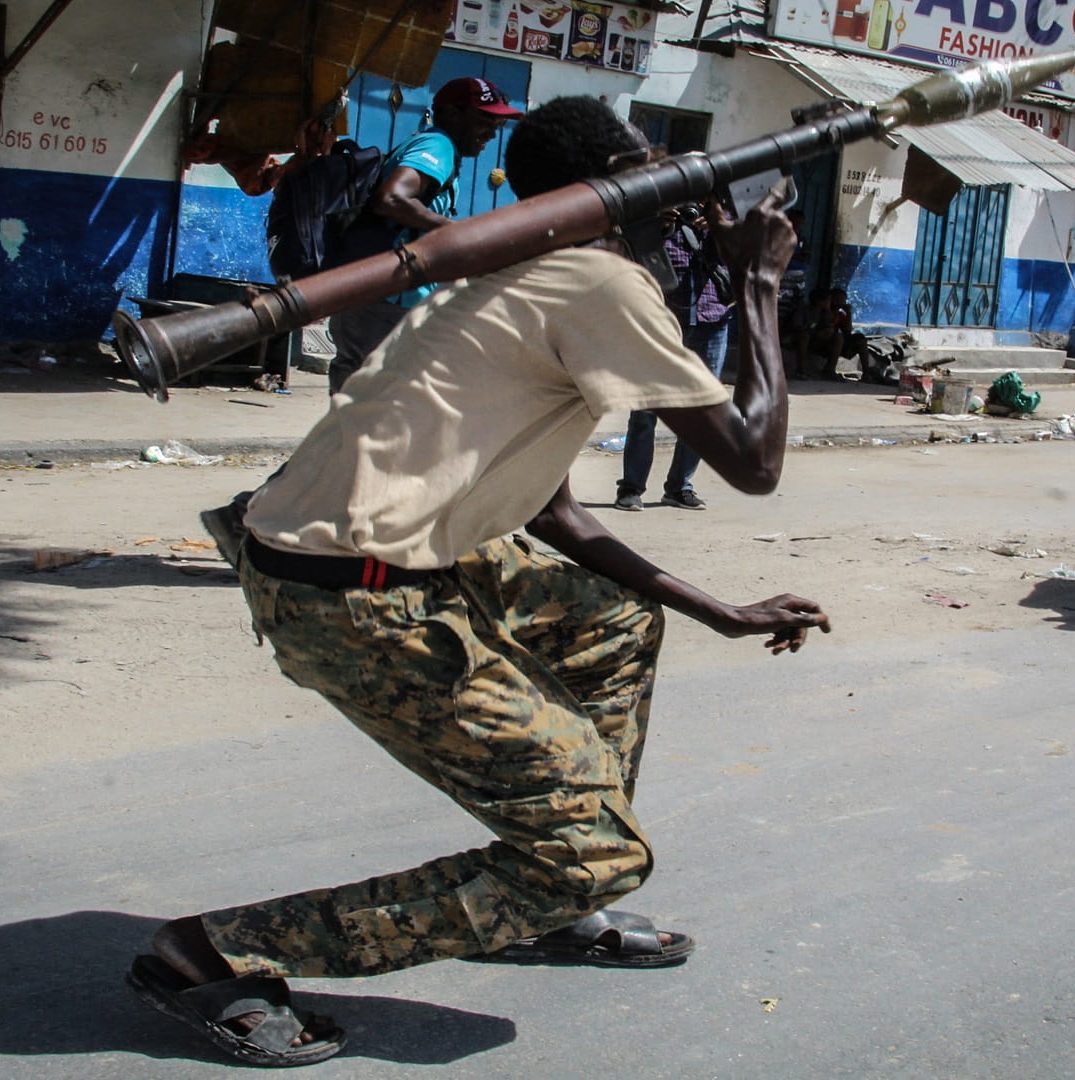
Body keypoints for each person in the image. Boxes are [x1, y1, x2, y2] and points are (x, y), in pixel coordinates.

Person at [133, 96, 829, 1068]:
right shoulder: (595, 285)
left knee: (614, 627)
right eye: (658, 188)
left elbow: (553, 511)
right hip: (351, 589)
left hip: (372, 551)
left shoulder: (529, 272)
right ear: (608, 196)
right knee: (598, 851)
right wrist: (759, 286)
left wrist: (713, 611)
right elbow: (755, 461)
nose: (678, 211)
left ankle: (550, 893)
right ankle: (211, 953)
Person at [324, 76, 521, 395]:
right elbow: (392, 198)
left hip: (374, 295)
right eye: (485, 118)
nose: (492, 131)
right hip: (387, 299)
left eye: (498, 123)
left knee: (358, 404)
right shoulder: (438, 144)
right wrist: (457, 233)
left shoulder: (434, 146)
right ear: (453, 114)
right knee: (379, 405)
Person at [615, 203, 733, 511]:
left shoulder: (723, 216)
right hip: (661, 322)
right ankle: (631, 488)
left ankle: (680, 487)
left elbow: (741, 258)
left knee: (702, 412)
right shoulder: (653, 217)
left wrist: (720, 227)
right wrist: (660, 227)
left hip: (712, 320)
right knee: (645, 410)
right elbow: (629, 259)